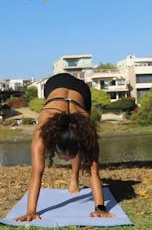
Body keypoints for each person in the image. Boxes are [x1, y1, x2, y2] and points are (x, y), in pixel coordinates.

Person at [14, 73, 115, 222]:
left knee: (79, 139)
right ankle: (74, 181)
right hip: (55, 83)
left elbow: (94, 169)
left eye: (72, 155)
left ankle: (74, 180)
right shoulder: (42, 128)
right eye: (64, 155)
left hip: (82, 92)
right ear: (54, 142)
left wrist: (100, 208)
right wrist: (31, 211)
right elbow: (36, 173)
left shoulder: (86, 130)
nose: (67, 159)